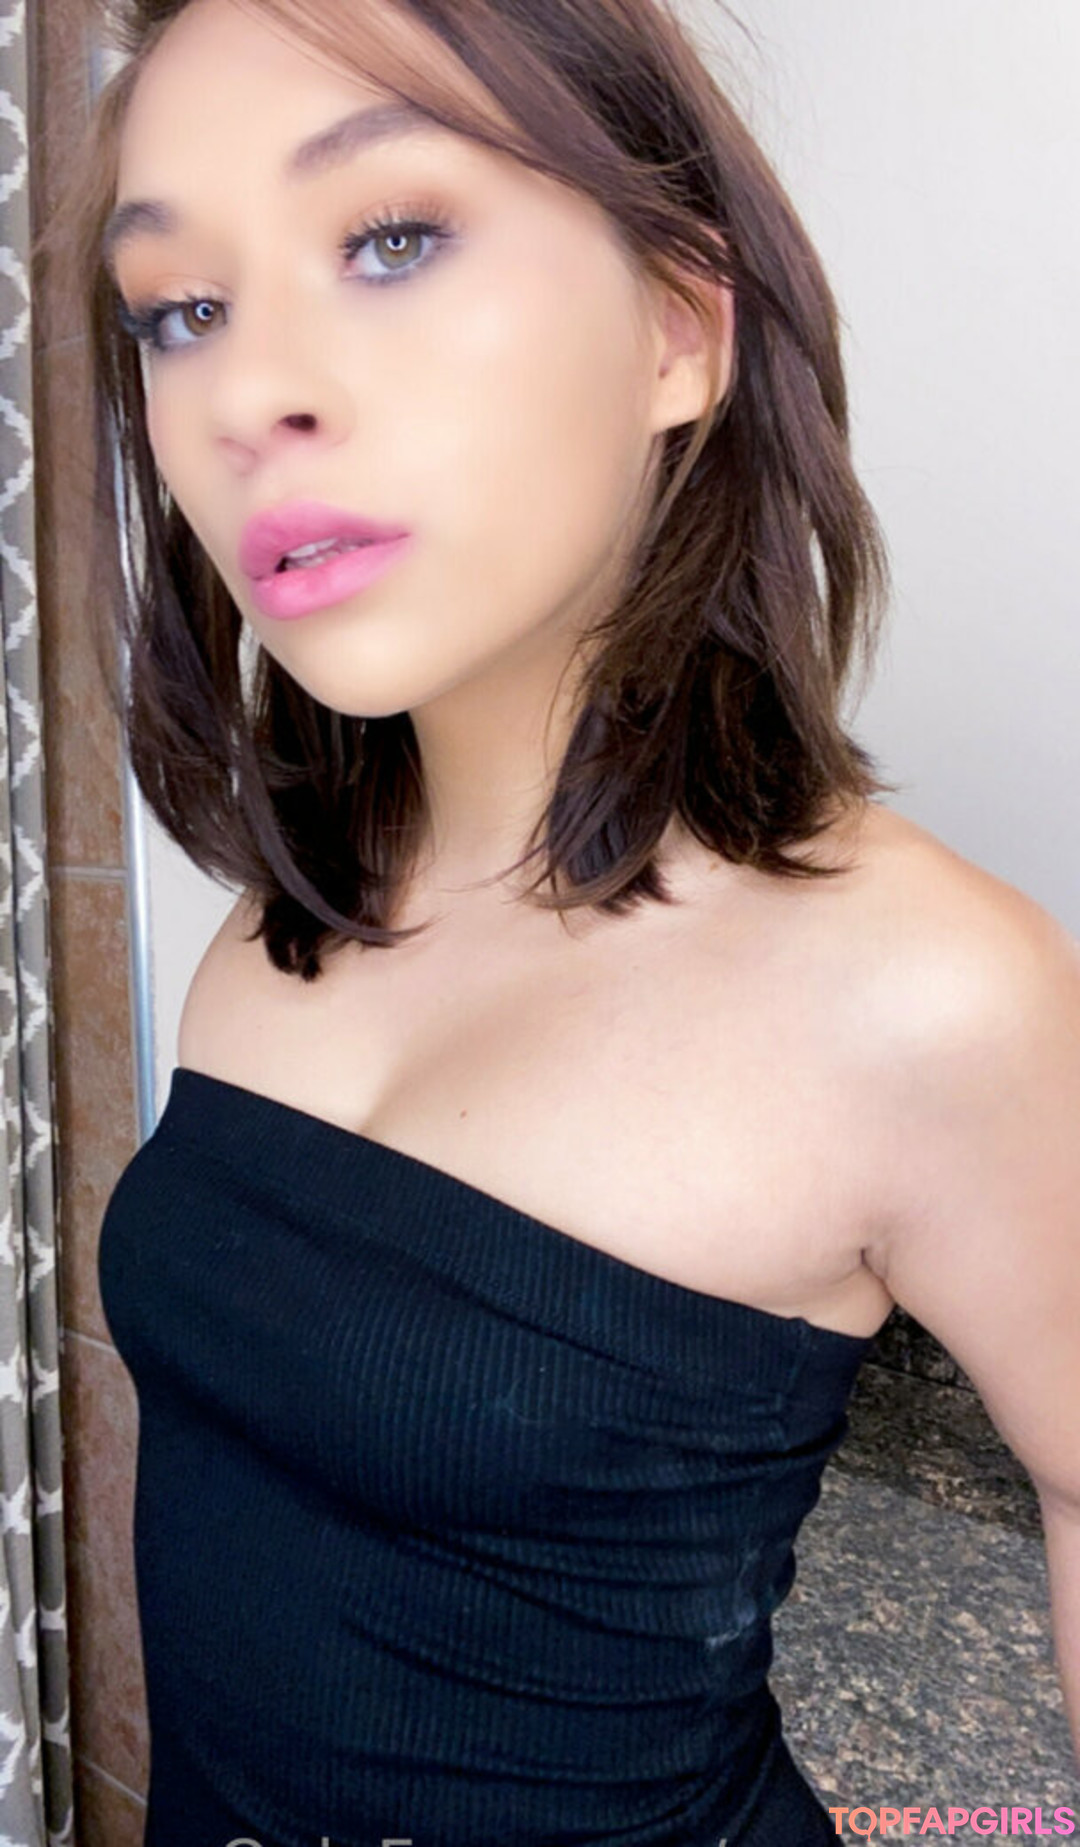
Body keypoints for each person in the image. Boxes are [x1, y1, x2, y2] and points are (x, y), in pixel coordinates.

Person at [43, 0, 1080, 1839]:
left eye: (391, 238)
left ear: (680, 327)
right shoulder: (282, 924)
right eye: (178, 310)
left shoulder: (927, 993)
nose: (246, 393)